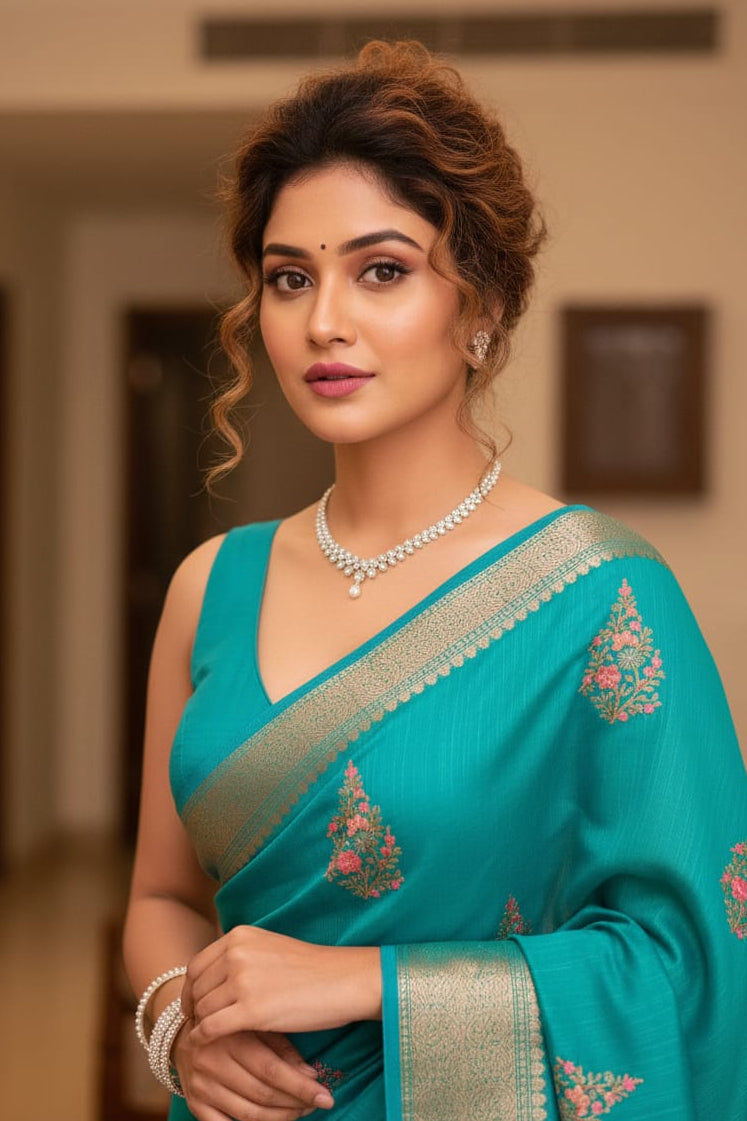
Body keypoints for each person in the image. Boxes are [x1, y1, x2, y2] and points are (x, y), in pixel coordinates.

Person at [123, 39, 747, 1121]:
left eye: (382, 269)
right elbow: (162, 897)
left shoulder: (600, 597)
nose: (325, 320)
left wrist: (368, 980)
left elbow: (690, 959)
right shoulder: (208, 584)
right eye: (288, 277)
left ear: (483, 307)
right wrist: (180, 1020)